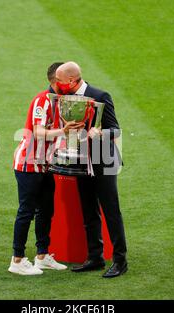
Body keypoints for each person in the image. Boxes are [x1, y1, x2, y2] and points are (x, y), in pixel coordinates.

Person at [9, 62, 84, 275]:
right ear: (56, 80)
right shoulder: (43, 100)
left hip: (44, 165)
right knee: (26, 211)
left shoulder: (61, 101)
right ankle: (17, 259)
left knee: (46, 211)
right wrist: (64, 131)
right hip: (29, 165)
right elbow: (39, 132)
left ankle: (42, 256)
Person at [55, 62, 128, 278]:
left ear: (71, 80)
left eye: (59, 81)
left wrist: (99, 134)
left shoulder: (100, 95)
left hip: (103, 161)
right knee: (88, 210)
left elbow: (115, 129)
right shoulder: (63, 99)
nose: (56, 85)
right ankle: (95, 256)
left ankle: (120, 260)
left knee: (111, 211)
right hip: (80, 161)